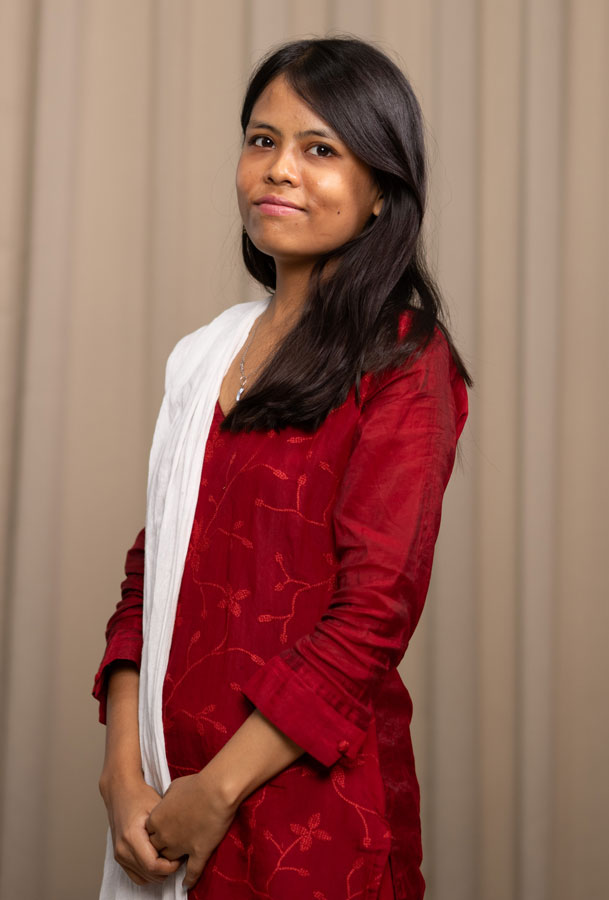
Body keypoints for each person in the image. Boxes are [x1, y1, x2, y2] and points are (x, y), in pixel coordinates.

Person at [92, 37, 471, 900]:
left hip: (308, 808)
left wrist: (217, 793)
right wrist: (121, 773)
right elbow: (151, 575)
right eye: (262, 140)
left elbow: (372, 616)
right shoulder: (202, 354)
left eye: (320, 148)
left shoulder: (402, 359)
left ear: (382, 191)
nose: (279, 169)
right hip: (161, 794)